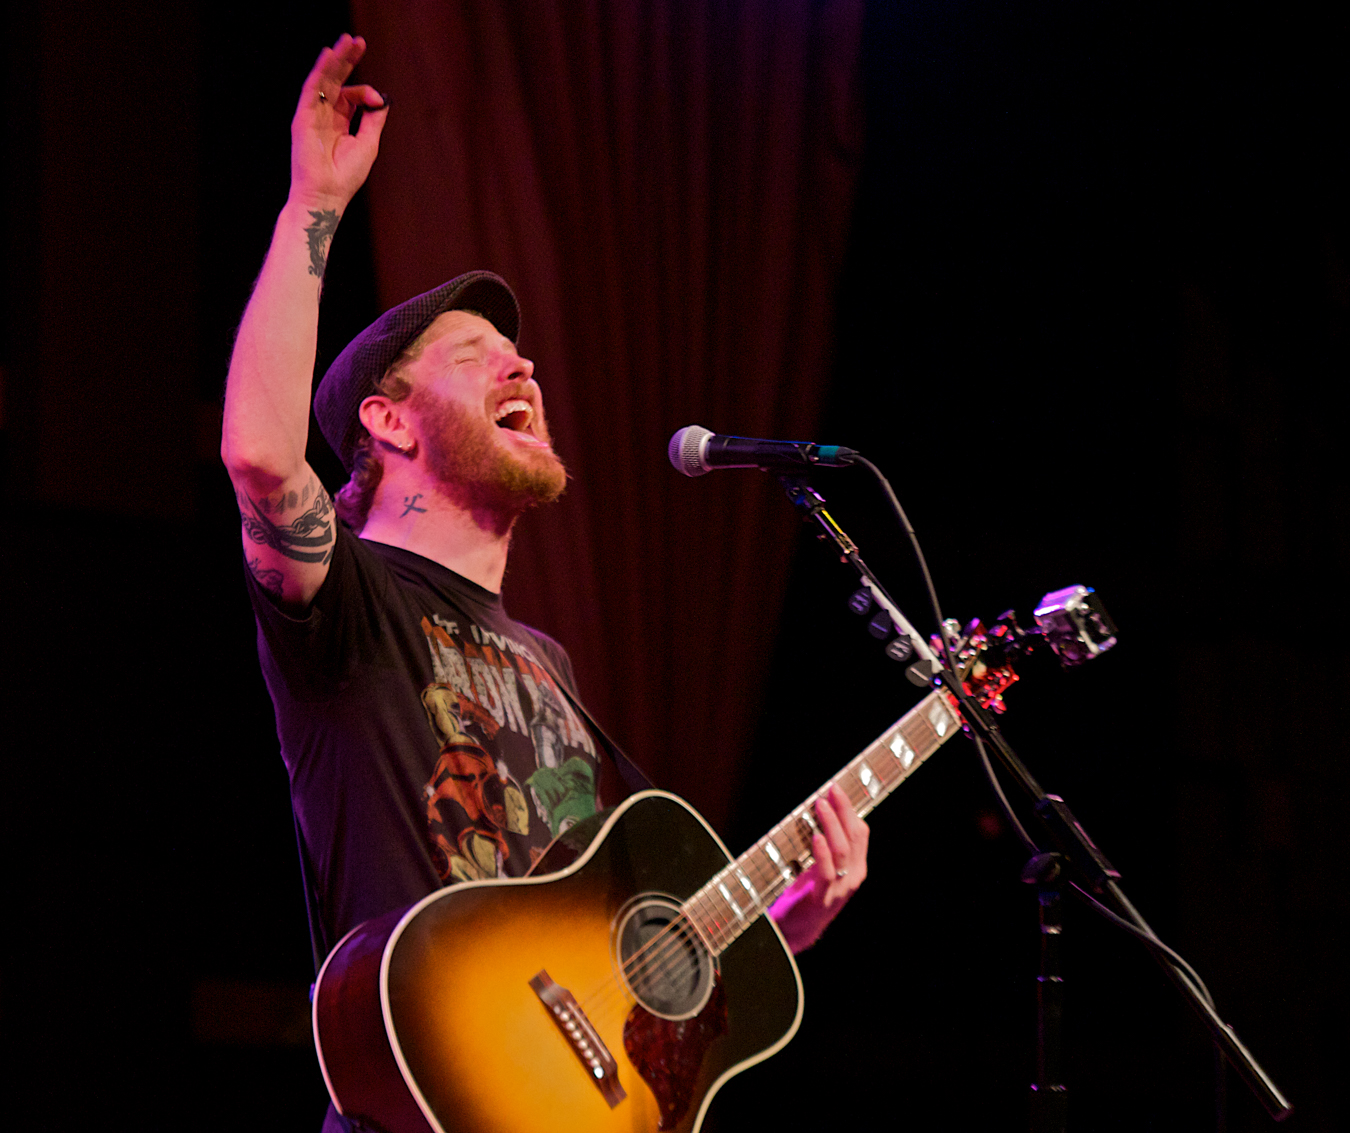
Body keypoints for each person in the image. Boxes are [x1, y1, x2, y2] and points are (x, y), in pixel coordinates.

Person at [221, 35, 869, 1129]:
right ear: (387, 419)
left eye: (520, 355)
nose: (523, 365)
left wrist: (776, 926)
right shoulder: (352, 604)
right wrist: (310, 207)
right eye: (477, 352)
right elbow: (260, 457)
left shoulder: (549, 665)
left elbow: (607, 970)